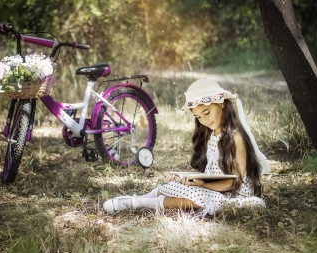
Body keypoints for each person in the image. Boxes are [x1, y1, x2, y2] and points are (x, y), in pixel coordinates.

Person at [103, 78, 271, 216]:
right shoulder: (211, 133)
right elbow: (210, 173)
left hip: (232, 194)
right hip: (213, 187)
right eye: (198, 116)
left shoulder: (236, 137)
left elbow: (232, 183)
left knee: (195, 195)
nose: (204, 120)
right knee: (178, 186)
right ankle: (135, 198)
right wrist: (182, 177)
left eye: (206, 113)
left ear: (221, 104)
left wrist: (200, 184)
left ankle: (138, 203)